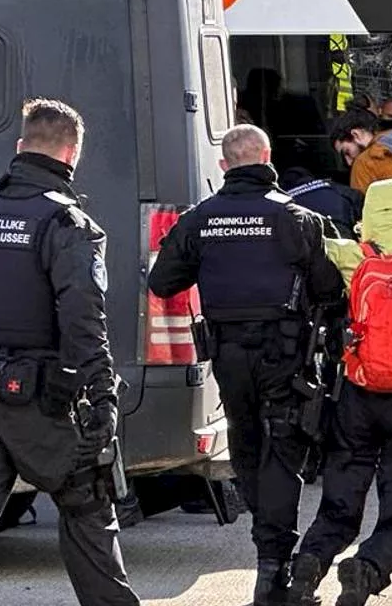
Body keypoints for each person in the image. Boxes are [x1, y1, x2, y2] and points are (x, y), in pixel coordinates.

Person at [0, 99, 140, 606]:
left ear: (20, 148)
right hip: (44, 405)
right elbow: (85, 324)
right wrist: (103, 403)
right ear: (72, 153)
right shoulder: (67, 225)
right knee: (89, 520)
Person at [148, 125, 342, 605]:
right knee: (282, 451)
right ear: (267, 156)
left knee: (248, 446)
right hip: (285, 354)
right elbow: (331, 290)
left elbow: (163, 281)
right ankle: (272, 566)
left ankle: (269, 551)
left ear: (224, 166)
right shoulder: (298, 218)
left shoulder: (200, 220)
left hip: (229, 356)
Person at [287, 178, 392, 606]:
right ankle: (367, 568)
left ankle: (306, 568)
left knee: (339, 505)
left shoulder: (350, 253)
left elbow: (304, 242)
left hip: (357, 392)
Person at [278, 166, 363, 239]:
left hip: (317, 246)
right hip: (346, 237)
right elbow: (359, 199)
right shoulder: (333, 187)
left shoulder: (285, 202)